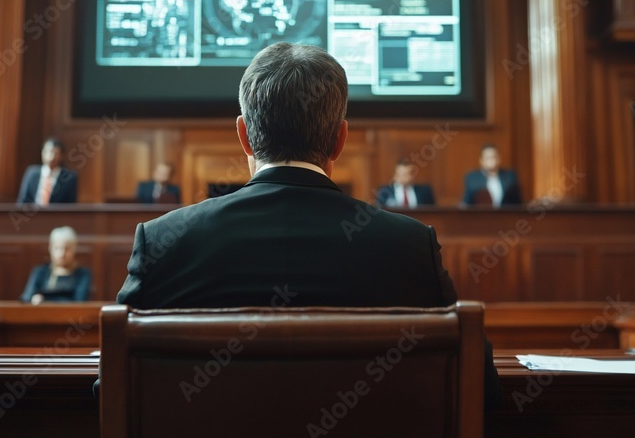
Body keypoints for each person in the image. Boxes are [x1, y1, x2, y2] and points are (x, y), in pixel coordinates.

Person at [115, 41, 500, 409]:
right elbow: (479, 386)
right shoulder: (411, 245)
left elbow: (116, 386)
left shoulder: (163, 240)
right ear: (340, 140)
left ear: (245, 136)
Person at [20, 226, 92, 304]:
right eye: (57, 248)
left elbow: (79, 301)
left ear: (74, 249)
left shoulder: (83, 274)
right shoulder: (40, 272)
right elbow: (26, 298)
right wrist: (33, 299)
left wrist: (45, 300)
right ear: (50, 248)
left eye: (67, 249)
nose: (62, 254)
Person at [17, 137, 78, 205]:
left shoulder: (69, 177)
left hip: (56, 215)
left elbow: (70, 205)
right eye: (47, 152)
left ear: (61, 156)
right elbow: (23, 200)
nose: (51, 157)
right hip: (31, 214)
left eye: (55, 153)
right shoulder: (32, 173)